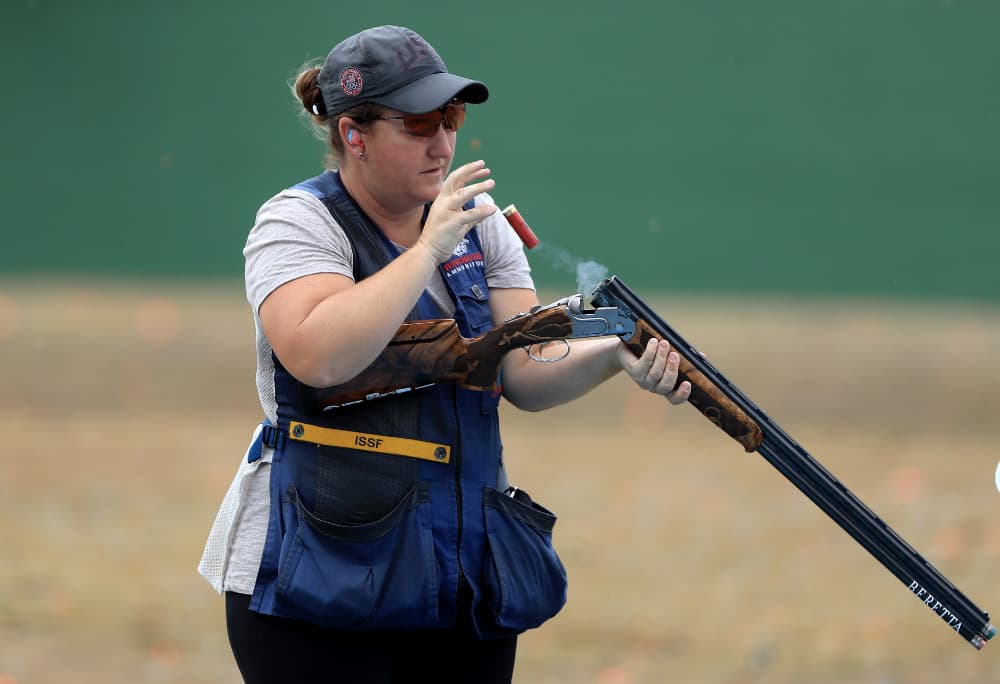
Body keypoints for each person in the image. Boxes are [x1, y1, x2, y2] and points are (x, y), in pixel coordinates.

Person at [198, 24, 691, 683]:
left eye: (451, 117)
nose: (443, 142)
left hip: (460, 565)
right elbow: (317, 356)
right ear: (353, 133)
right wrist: (425, 250)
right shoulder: (300, 221)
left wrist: (610, 359)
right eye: (419, 121)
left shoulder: (480, 223)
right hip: (315, 567)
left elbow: (521, 369)